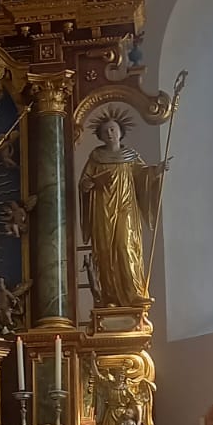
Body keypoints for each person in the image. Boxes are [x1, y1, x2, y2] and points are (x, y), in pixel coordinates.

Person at [79, 110, 165, 305]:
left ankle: (133, 292)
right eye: (105, 130)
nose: (109, 133)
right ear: (100, 136)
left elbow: (142, 176)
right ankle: (110, 297)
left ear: (120, 132)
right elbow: (84, 183)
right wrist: (87, 185)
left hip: (126, 206)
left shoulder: (131, 156)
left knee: (125, 246)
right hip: (102, 209)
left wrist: (155, 171)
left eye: (112, 129)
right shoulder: (96, 157)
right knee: (105, 250)